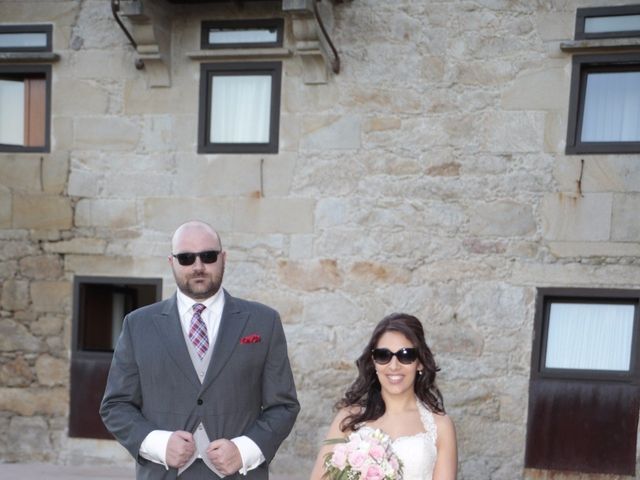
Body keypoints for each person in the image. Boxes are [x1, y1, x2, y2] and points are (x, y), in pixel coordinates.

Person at [100, 220, 300, 480]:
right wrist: (158, 444)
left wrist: (244, 450)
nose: (198, 266)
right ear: (172, 262)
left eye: (208, 256)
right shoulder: (138, 325)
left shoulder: (264, 321)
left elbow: (283, 406)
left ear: (223, 258)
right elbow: (116, 405)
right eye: (186, 258)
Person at [309, 313, 457, 480]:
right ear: (373, 362)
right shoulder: (349, 418)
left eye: (406, 355)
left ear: (420, 362)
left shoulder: (440, 426)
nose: (394, 366)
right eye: (383, 355)